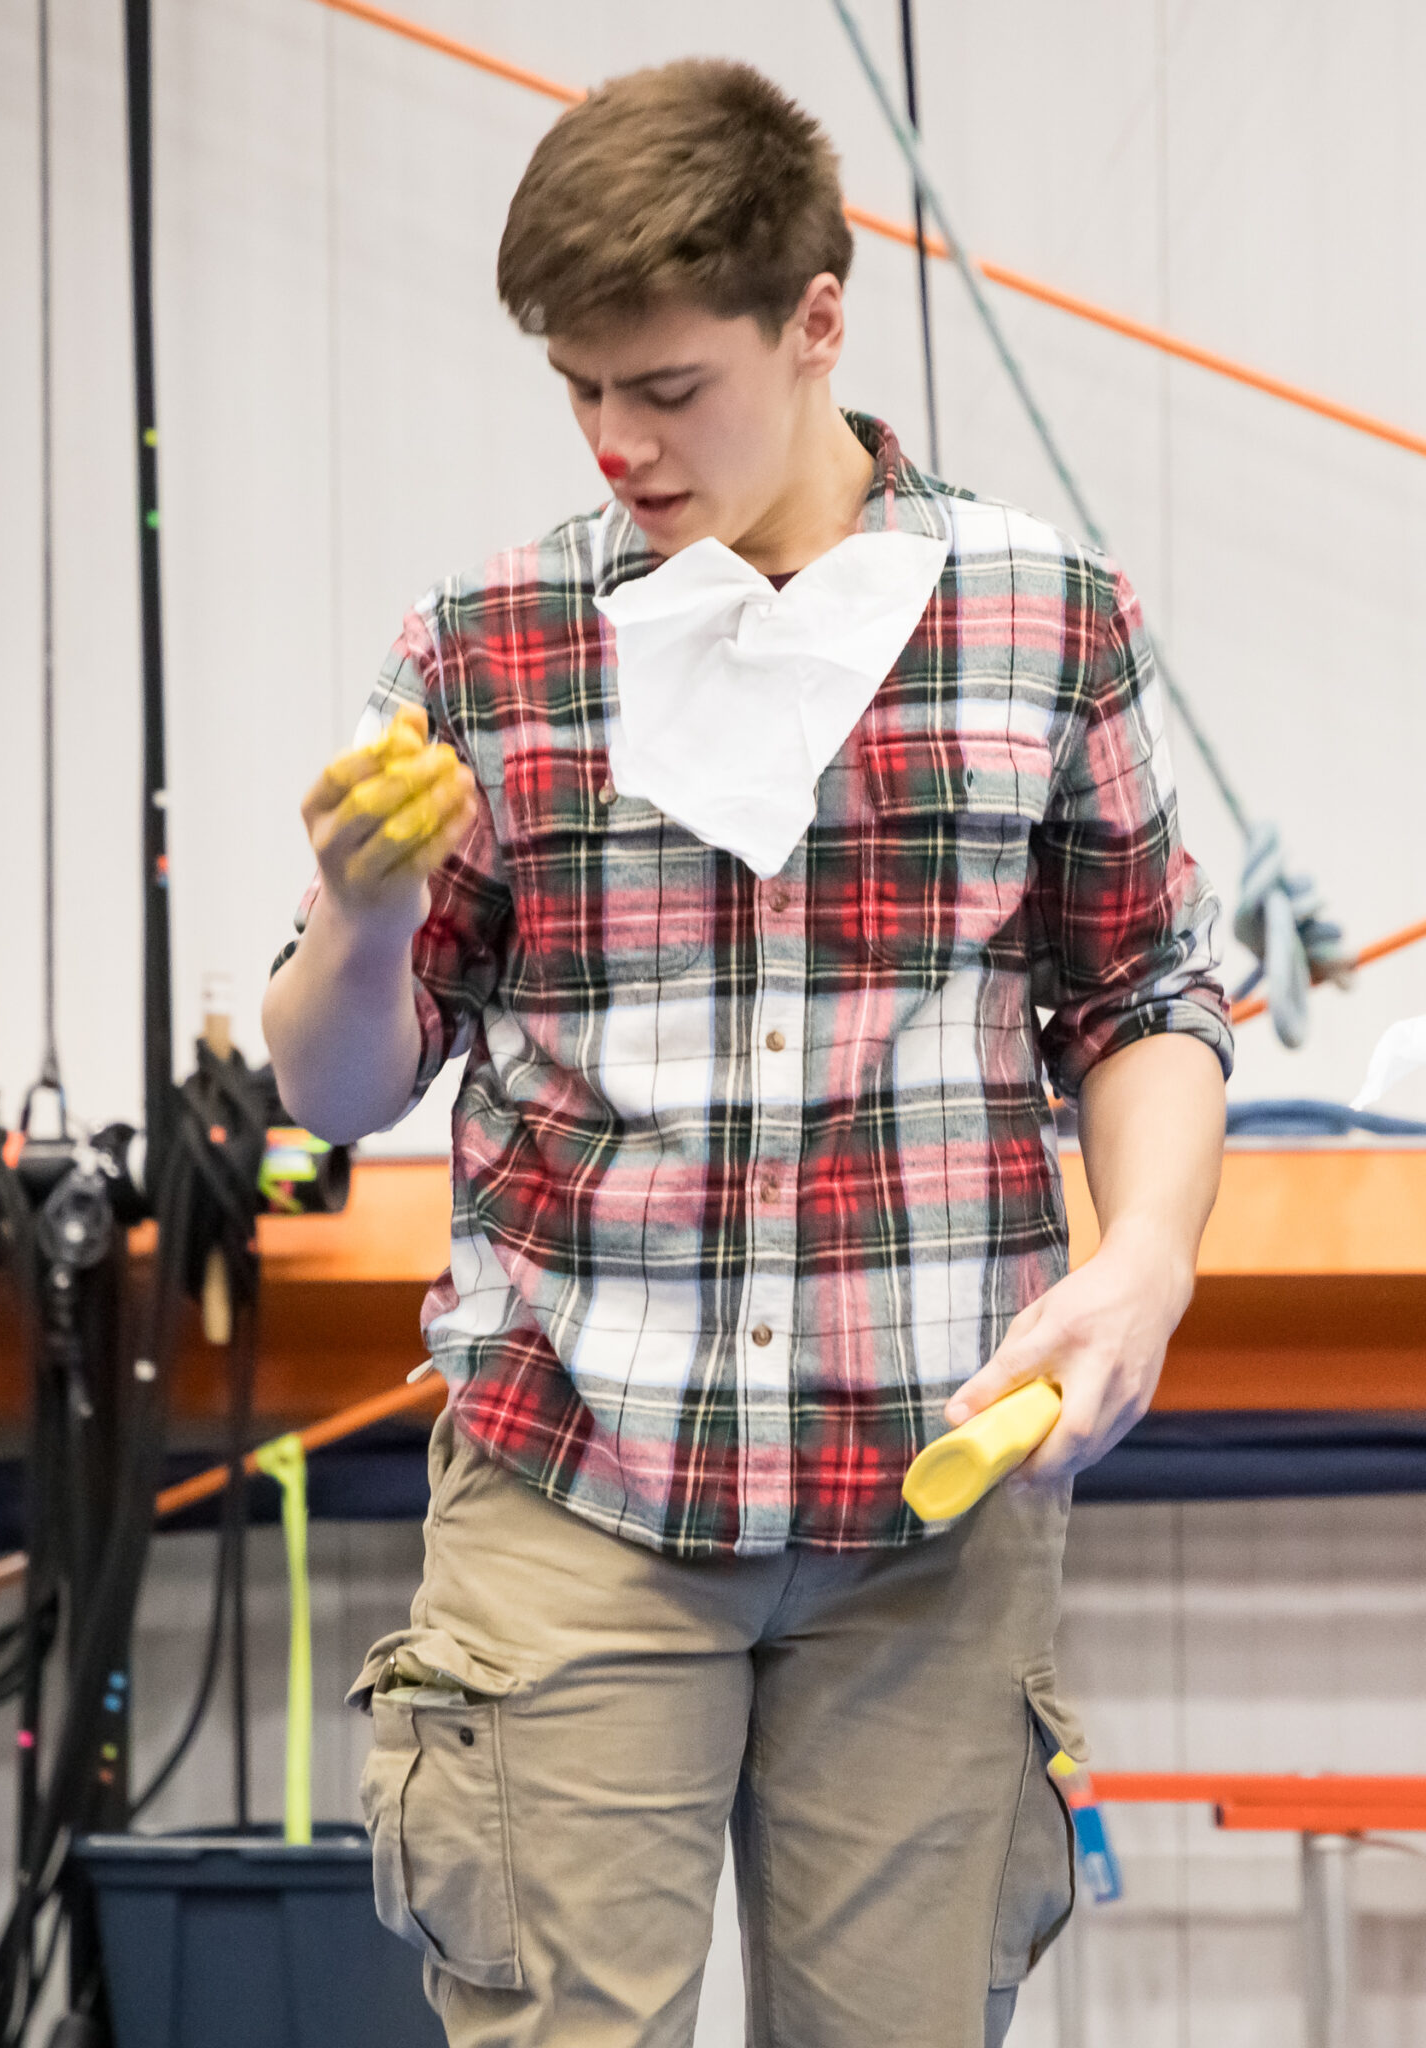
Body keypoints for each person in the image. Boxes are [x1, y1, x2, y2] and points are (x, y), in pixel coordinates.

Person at [261, 59, 1231, 2048]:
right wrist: (359, 914)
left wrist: (1147, 1256)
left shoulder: (1039, 616)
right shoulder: (490, 647)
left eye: (668, 387)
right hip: (576, 1476)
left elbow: (1140, 993)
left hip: (930, 1498)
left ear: (816, 321)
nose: (618, 442)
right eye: (579, 390)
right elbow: (334, 1089)